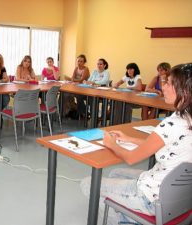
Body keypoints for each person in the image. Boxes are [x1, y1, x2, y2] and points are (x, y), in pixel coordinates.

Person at [81, 63, 192, 224]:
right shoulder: (186, 118)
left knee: (88, 183)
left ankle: (122, 220)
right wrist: (128, 138)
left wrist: (112, 144)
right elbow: (160, 143)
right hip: (179, 196)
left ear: (185, 91)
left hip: (151, 197)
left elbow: (132, 158)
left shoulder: (172, 124)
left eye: (168, 83)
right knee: (115, 173)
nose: (163, 86)